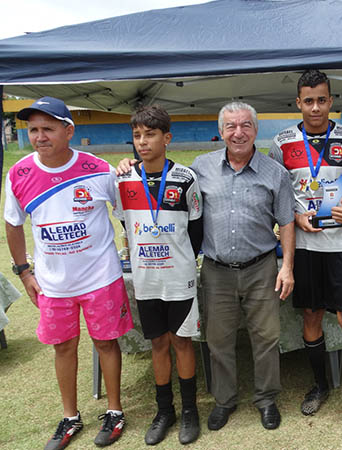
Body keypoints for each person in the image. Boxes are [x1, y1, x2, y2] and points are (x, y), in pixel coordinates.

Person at [4, 97, 133, 450]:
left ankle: (115, 411)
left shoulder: (98, 169)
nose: (40, 136)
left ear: (69, 130)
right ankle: (70, 417)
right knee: (63, 346)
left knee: (106, 342)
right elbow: (13, 225)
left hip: (100, 277)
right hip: (53, 283)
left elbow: (125, 214)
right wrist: (24, 273)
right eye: (33, 129)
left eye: (48, 128)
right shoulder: (19, 174)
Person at [269, 69, 342, 440]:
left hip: (341, 245)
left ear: (330, 101)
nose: (315, 107)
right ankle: (320, 385)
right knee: (311, 315)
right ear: (298, 103)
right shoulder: (282, 143)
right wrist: (294, 216)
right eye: (308, 101)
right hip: (303, 246)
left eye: (321, 100)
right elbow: (276, 196)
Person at [193, 101, 296, 432]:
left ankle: (266, 399)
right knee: (218, 339)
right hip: (216, 270)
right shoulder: (200, 168)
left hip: (260, 268)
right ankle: (224, 400)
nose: (238, 133)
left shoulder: (275, 172)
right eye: (231, 126)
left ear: (256, 129)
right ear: (221, 131)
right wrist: (131, 165)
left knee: (266, 337)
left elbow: (287, 222)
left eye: (245, 125)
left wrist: (287, 267)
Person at [113, 105, 203, 446]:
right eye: (137, 135)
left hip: (179, 277)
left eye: (150, 135)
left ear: (167, 138)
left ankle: (190, 410)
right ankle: (165, 411)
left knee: (182, 341)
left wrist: (180, 260)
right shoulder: (123, 179)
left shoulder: (186, 178)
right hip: (146, 278)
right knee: (158, 343)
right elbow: (127, 225)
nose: (142, 142)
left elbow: (196, 231)